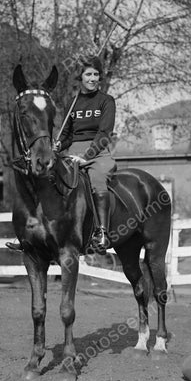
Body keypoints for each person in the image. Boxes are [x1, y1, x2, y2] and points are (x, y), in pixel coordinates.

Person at [54, 55, 116, 254]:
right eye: (88, 74)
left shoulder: (106, 101)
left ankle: (102, 232)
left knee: (97, 179)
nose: (92, 78)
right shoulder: (73, 104)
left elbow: (105, 133)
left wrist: (87, 156)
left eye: (96, 74)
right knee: (48, 178)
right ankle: (36, 230)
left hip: (98, 153)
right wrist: (58, 145)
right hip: (72, 154)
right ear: (80, 77)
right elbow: (67, 135)